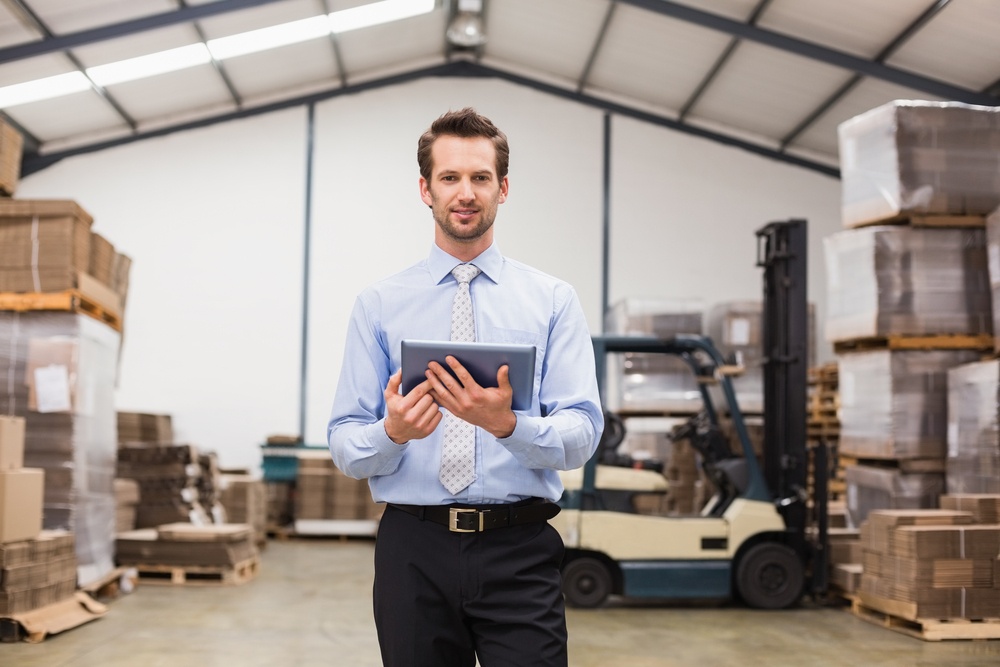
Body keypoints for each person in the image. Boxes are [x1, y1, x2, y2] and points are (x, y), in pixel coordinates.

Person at [327, 107, 604, 667]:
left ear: (502, 188)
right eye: (450, 177)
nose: (466, 192)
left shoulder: (552, 301)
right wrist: (393, 433)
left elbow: (583, 433)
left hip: (520, 548)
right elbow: (344, 444)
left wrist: (508, 425)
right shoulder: (379, 305)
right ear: (425, 189)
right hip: (414, 549)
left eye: (480, 178)